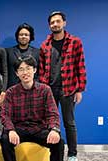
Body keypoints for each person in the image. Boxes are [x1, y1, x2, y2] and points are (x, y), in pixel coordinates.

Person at [39, 11, 87, 161]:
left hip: (69, 88)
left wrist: (80, 89)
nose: (55, 24)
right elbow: (41, 69)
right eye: (52, 22)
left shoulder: (75, 42)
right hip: (49, 89)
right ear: (49, 25)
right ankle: (51, 152)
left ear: (64, 23)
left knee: (69, 123)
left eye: (58, 21)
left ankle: (72, 155)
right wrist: (43, 87)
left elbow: (81, 66)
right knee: (49, 123)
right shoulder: (45, 45)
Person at [0, 55, 64, 161]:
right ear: (17, 73)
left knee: (59, 141)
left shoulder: (45, 90)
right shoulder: (11, 92)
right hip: (19, 129)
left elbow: (52, 113)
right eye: (21, 69)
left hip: (39, 129)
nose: (25, 73)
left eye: (28, 68)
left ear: (34, 70)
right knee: (5, 139)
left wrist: (54, 129)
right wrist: (10, 130)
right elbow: (5, 114)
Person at [6, 23, 39, 88]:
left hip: (32, 89)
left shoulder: (37, 52)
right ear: (17, 36)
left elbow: (39, 74)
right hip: (13, 89)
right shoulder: (8, 52)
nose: (23, 36)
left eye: (26, 35)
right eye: (21, 34)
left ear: (30, 37)